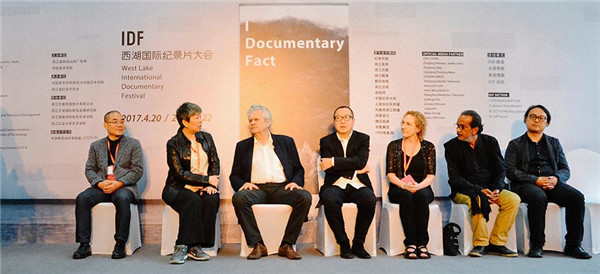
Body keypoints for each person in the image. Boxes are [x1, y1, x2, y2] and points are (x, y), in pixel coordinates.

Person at [505, 105, 591, 259]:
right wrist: (535, 180)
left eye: (541, 118)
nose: (537, 120)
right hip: (526, 184)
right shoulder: (515, 144)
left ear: (547, 123)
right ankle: (537, 245)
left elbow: (565, 169)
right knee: (538, 197)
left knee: (577, 198)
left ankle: (573, 245)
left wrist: (556, 178)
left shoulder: (554, 143)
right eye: (532, 116)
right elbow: (510, 171)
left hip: (551, 183)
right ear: (526, 120)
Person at [230, 104, 312, 260]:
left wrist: (295, 182)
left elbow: (298, 169)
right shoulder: (242, 146)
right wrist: (243, 184)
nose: (252, 123)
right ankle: (257, 245)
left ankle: (287, 244)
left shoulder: (286, 142)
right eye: (250, 120)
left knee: (304, 197)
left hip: (282, 188)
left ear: (267, 122)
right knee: (239, 198)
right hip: (256, 190)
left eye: (256, 119)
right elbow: (235, 175)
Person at [444, 110, 520, 257]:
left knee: (513, 199)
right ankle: (481, 243)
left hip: (491, 188)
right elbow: (455, 179)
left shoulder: (490, 142)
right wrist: (479, 190)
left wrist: (496, 189)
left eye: (462, 127)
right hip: (464, 190)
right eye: (457, 126)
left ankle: (497, 242)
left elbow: (500, 169)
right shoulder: (451, 147)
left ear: (475, 129)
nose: (458, 130)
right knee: (477, 199)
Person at [73, 110, 144, 259]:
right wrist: (99, 183)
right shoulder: (96, 146)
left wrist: (119, 182)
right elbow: (89, 169)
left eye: (122, 121)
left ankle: (120, 243)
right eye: (115, 121)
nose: (120, 124)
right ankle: (84, 244)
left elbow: (137, 170)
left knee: (122, 198)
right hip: (102, 186)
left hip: (124, 187)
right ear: (105, 125)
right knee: (82, 198)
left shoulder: (133, 144)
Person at [162, 102, 221, 264]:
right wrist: (205, 180)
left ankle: (197, 246)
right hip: (177, 188)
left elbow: (214, 162)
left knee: (212, 199)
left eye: (200, 116)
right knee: (192, 199)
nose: (200, 120)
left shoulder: (206, 138)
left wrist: (211, 184)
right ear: (185, 122)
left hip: (203, 186)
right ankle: (182, 246)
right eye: (196, 118)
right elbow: (178, 173)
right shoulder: (173, 143)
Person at [319, 106, 376, 259]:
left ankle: (358, 244)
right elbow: (328, 169)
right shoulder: (326, 141)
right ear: (334, 121)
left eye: (346, 117)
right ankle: (343, 243)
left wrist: (334, 161)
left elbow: (361, 161)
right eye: (338, 118)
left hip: (358, 184)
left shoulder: (363, 138)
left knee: (369, 200)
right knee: (329, 198)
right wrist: (355, 170)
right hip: (335, 183)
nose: (342, 121)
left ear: (353, 120)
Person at [386, 111, 435, 259]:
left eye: (408, 124)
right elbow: (390, 174)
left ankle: (422, 244)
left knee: (420, 196)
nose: (403, 126)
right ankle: (411, 243)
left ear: (418, 128)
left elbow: (431, 175)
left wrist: (419, 186)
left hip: (422, 187)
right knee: (406, 196)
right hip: (399, 188)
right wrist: (404, 185)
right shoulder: (394, 146)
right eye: (402, 123)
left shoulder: (428, 147)